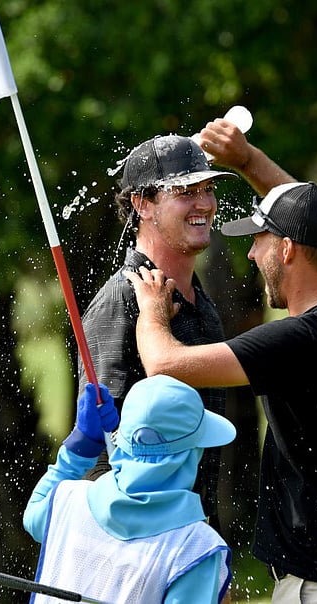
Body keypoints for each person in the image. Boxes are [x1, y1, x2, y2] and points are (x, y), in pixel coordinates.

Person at [124, 177, 317, 602]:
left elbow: (165, 363)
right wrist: (247, 159)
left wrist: (153, 313)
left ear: (287, 249)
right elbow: (315, 218)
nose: (251, 253)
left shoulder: (301, 340)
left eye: (259, 241)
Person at [76, 133, 239, 531]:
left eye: (208, 188)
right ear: (142, 204)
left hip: (195, 538)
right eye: (185, 191)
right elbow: (98, 447)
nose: (204, 203)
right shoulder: (121, 301)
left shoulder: (204, 305)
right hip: (141, 544)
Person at [23, 374, 237, 603]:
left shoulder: (68, 501)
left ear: (122, 441)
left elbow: (33, 518)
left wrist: (79, 449)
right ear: (193, 453)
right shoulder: (196, 548)